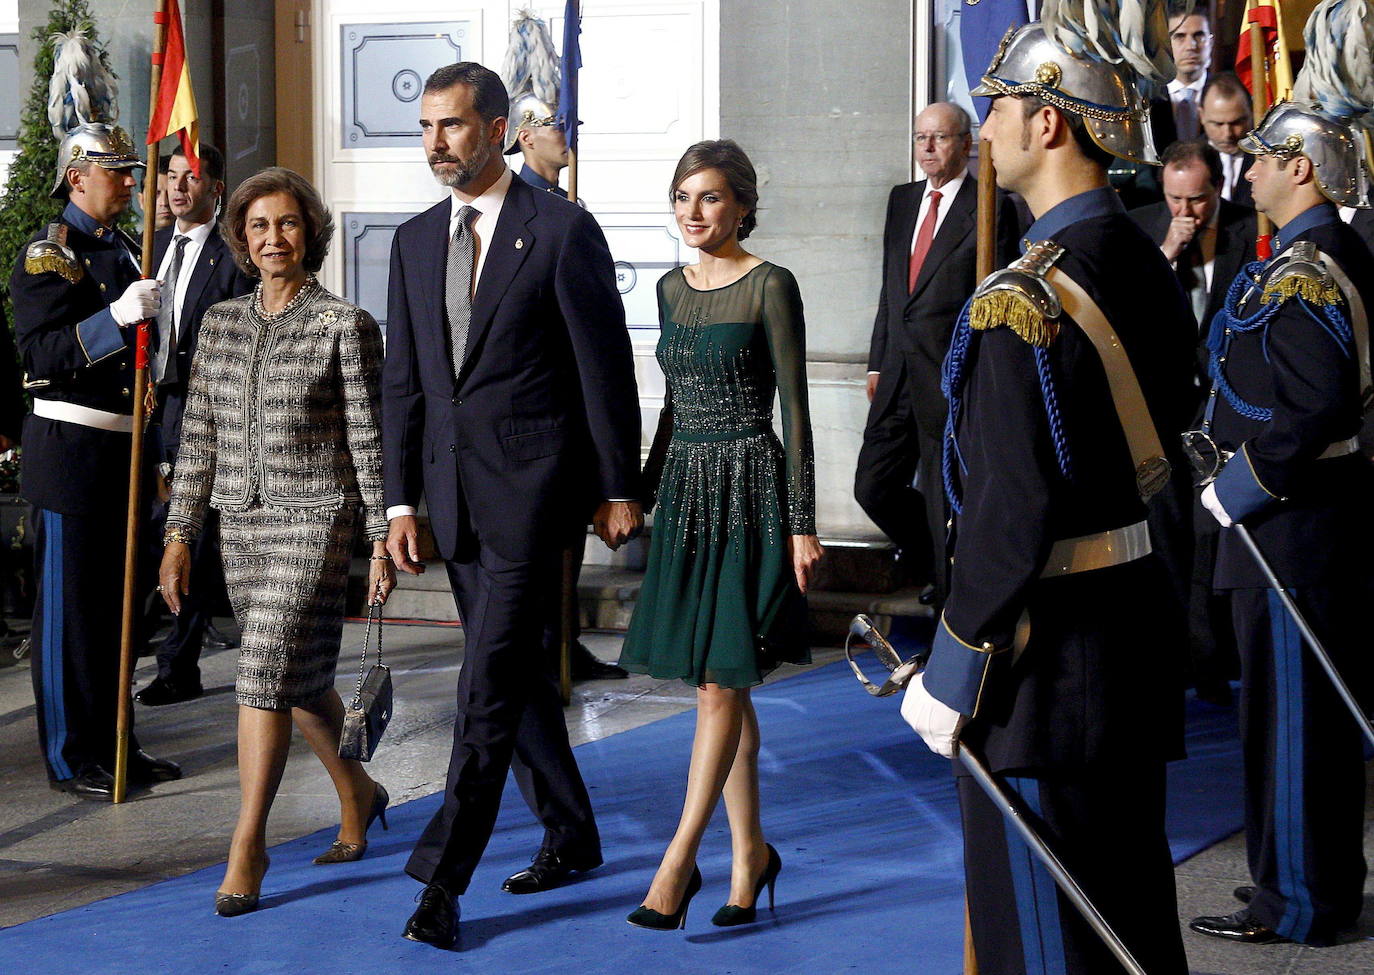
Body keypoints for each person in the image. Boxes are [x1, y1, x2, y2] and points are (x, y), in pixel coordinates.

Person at [903, 15, 1195, 974]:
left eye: (999, 106)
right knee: (1128, 911)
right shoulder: (1141, 260)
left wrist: (952, 667)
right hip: (1127, 638)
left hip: (1040, 661)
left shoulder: (1024, 298)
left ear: (1051, 126)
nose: (984, 128)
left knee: (1041, 937)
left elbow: (1008, 510)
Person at [383, 62, 642, 949]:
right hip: (449, 500)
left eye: (451, 126)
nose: (435, 144)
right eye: (425, 128)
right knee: (520, 677)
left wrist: (617, 485)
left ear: (497, 128)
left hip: (534, 495)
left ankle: (441, 880)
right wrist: (399, 501)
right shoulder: (414, 242)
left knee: (485, 683)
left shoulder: (561, 231)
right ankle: (572, 832)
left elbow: (601, 369)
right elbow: (406, 387)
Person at [159, 167, 396, 917]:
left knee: (262, 666)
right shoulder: (220, 324)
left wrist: (382, 536)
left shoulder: (344, 325)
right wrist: (179, 533)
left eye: (287, 224)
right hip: (241, 523)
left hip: (316, 520)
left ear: (311, 232)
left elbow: (369, 437)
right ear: (241, 237)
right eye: (259, 226)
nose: (273, 239)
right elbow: (198, 437)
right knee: (292, 680)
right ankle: (358, 792)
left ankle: (248, 843)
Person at [617, 140, 822, 931]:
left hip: (751, 493)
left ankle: (676, 864)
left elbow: (796, 413)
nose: (692, 213)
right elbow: (673, 404)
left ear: (741, 204)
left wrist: (802, 521)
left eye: (708, 198)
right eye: (681, 198)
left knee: (716, 687)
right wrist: (638, 490)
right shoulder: (671, 289)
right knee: (723, 680)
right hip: (689, 497)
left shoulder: (772, 283)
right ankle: (751, 857)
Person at [1188, 84, 1374, 945]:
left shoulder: (1306, 272)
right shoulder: (1310, 257)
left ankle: (1299, 900)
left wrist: (1241, 485)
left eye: (1263, 157)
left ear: (1299, 168)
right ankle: (1298, 887)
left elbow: (1317, 408)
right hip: (1293, 532)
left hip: (1291, 529)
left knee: (1295, 728)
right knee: (1282, 720)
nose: (1250, 169)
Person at [11, 122, 180, 801]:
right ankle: (69, 753)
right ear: (77, 176)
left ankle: (117, 743)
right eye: (118, 172)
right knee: (69, 621)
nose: (133, 183)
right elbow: (42, 357)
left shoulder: (121, 251)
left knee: (117, 621)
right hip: (72, 459)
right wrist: (114, 315)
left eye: (133, 171)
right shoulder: (49, 255)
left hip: (123, 457)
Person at [855, 102, 1019, 602]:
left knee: (943, 493)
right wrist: (877, 360)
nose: (927, 148)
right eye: (921, 138)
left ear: (966, 145)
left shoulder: (991, 205)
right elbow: (892, 290)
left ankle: (948, 603)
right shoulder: (902, 201)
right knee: (873, 486)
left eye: (940, 138)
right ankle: (930, 557)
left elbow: (997, 298)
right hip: (897, 372)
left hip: (949, 373)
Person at [502, 77, 630, 682]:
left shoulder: (567, 210)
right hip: (535, 410)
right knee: (545, 555)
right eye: (557, 125)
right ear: (525, 136)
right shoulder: (523, 209)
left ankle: (565, 646)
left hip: (573, 412)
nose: (567, 134)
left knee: (567, 552)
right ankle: (551, 654)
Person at [1130, 139, 1257, 706]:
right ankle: (1178, 656)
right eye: (1177, 198)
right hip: (1162, 412)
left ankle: (1211, 659)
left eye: (1199, 200)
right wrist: (1166, 254)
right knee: (1169, 538)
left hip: (1222, 409)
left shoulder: (1249, 229)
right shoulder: (1141, 228)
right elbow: (1129, 315)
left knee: (1211, 540)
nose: (1188, 212)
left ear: (1217, 190)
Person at [136, 143, 254, 708]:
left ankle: (178, 664)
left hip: (204, 413)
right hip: (152, 410)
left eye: (192, 178)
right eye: (172, 176)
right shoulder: (152, 249)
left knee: (191, 536)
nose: (178, 187)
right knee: (157, 529)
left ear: (215, 189)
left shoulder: (232, 260)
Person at [1200, 73, 1254, 206]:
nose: (1227, 134)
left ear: (1251, 113)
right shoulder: (1189, 158)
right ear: (1201, 115)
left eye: (1236, 123)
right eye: (1218, 124)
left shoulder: (1267, 159)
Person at [1167, 0, 1212, 141]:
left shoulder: (1228, 94)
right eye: (1180, 36)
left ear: (1211, 43)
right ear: (1166, 44)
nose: (1191, 46)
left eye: (1199, 36)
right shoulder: (1146, 98)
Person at [154, 153, 175, 231]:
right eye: (156, 193)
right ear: (141, 200)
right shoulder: (126, 243)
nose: (164, 202)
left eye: (170, 193)